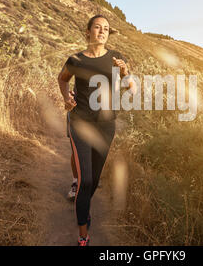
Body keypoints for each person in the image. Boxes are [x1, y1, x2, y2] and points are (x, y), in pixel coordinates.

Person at [57, 14, 136, 246]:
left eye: (106, 29)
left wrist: (124, 74)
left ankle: (84, 207)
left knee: (94, 179)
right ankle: (83, 235)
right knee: (86, 181)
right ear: (88, 32)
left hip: (106, 125)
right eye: (98, 27)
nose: (102, 31)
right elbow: (62, 80)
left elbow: (131, 88)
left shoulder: (116, 58)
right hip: (80, 122)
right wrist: (66, 97)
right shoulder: (76, 59)